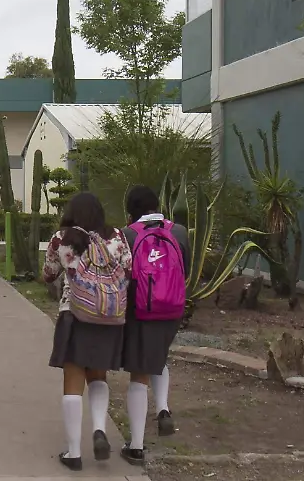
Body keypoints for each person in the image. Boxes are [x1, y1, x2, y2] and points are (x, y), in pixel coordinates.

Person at [43, 192, 132, 472]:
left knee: (73, 378)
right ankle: (99, 430)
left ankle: (73, 453)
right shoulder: (117, 236)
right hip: (108, 314)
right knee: (98, 374)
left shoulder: (62, 238)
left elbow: (48, 273)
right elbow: (129, 269)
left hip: (75, 312)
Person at [119, 185, 191, 466]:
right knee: (158, 355)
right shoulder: (180, 231)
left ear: (130, 210)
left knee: (139, 371)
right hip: (172, 307)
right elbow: (184, 266)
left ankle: (136, 446)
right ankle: (162, 408)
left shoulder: (127, 235)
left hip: (141, 309)